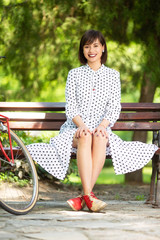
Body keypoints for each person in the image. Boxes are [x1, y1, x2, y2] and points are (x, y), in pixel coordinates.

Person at [27, 30, 158, 212]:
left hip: (101, 128)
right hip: (75, 128)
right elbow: (71, 107)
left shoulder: (113, 75)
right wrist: (81, 126)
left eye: (95, 45)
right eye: (87, 46)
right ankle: (89, 196)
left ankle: (84, 197)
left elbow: (114, 107)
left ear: (103, 48)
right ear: (82, 50)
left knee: (99, 137)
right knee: (85, 136)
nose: (91, 50)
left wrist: (103, 126)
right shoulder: (74, 74)